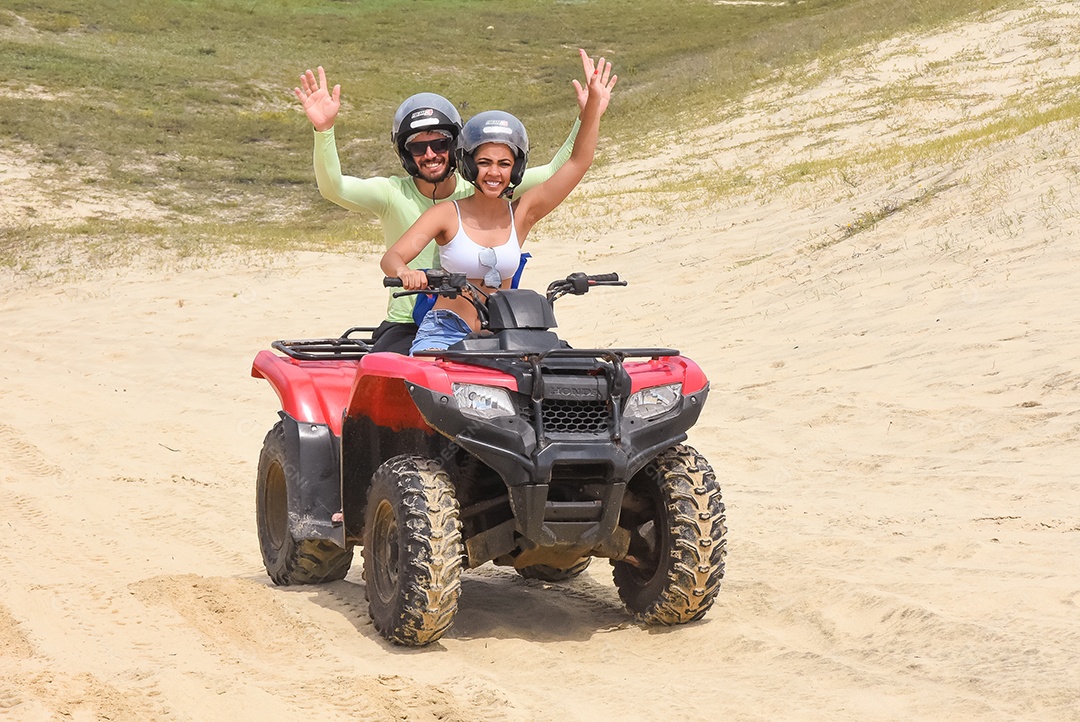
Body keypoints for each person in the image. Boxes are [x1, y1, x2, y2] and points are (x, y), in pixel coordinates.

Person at [293, 51, 616, 353]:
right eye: (419, 148)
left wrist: (589, 113)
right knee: (396, 382)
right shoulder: (420, 203)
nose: (430, 154)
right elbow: (335, 190)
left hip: (499, 323)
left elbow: (569, 167)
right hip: (420, 320)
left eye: (440, 143)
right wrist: (324, 130)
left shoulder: (514, 207)